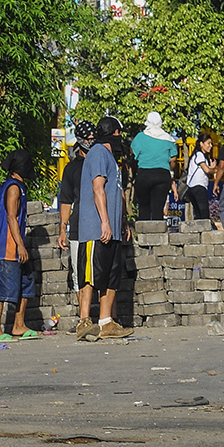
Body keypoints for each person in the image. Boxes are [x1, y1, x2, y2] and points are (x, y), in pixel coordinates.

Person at [75, 116, 134, 340]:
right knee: (90, 274)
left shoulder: (111, 158)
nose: (120, 138)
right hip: (95, 228)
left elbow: (116, 193)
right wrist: (105, 221)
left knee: (110, 276)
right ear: (113, 133)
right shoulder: (98, 152)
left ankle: (106, 321)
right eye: (118, 133)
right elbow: (97, 188)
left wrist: (123, 221)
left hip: (113, 228)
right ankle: (84, 321)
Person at [0, 150, 39, 342]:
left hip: (17, 246)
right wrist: (20, 245)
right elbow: (11, 217)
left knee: (25, 285)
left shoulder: (18, 186)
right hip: (7, 247)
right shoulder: (13, 188)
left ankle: (19, 325)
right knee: (3, 289)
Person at [58, 120, 96, 331]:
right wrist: (63, 228)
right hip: (78, 227)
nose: (91, 142)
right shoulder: (72, 168)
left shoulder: (100, 162)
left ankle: (96, 317)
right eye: (88, 139)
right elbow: (66, 200)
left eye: (94, 139)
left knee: (95, 272)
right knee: (78, 273)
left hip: (99, 226)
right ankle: (84, 317)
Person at [131, 111, 178, 222]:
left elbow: (133, 152)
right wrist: (170, 169)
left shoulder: (140, 137)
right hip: (162, 175)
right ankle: (158, 236)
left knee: (144, 208)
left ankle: (144, 235)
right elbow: (174, 158)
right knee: (158, 209)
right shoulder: (167, 138)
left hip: (144, 174)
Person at [183, 132, 216, 222]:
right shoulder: (199, 154)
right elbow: (207, 170)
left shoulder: (198, 155)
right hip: (198, 187)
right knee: (204, 214)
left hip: (193, 188)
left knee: (199, 215)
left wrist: (211, 168)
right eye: (208, 143)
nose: (211, 146)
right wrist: (215, 170)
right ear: (201, 144)